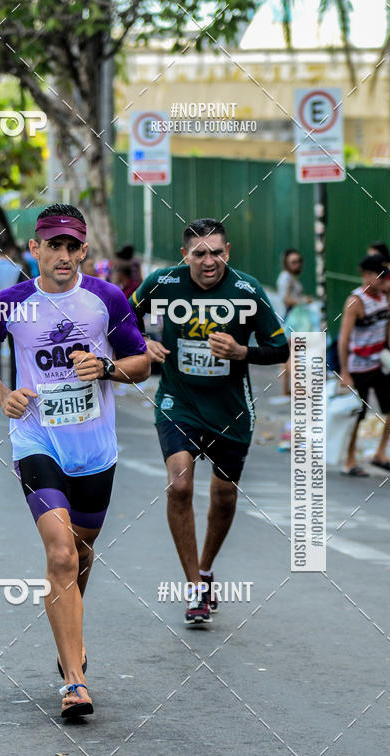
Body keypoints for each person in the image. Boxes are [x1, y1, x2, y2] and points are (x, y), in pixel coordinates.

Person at [0, 203, 150, 719]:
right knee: (62, 555)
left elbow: (142, 363)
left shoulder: (106, 299)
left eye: (72, 246)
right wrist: (2, 395)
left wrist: (107, 367)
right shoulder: (12, 302)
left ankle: (70, 638)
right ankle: (75, 680)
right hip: (36, 442)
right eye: (54, 245)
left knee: (81, 557)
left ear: (83, 250)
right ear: (35, 249)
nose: (63, 255)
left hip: (94, 450)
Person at [130, 218, 289, 627]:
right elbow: (120, 319)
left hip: (231, 410)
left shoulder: (247, 290)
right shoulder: (162, 283)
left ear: (228, 252)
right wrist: (140, 342)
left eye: (216, 252)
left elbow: (280, 348)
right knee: (179, 484)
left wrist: (241, 352)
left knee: (224, 497)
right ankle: (194, 588)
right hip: (177, 402)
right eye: (199, 253)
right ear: (185, 255)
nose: (209, 261)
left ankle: (205, 568)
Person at [337, 254, 390, 476]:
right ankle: (350, 459)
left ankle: (380, 453)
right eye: (381, 278)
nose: (385, 283)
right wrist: (345, 372)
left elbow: (386, 324)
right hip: (358, 366)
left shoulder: (382, 296)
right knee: (357, 414)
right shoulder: (356, 301)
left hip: (379, 363)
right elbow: (344, 338)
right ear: (367, 275)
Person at [276, 248, 311, 395]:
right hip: (292, 319)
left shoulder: (288, 277)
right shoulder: (287, 278)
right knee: (293, 354)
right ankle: (297, 387)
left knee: (287, 354)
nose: (298, 265)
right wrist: (304, 301)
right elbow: (286, 299)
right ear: (286, 263)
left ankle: (287, 388)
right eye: (294, 262)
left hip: (288, 318)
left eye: (299, 261)